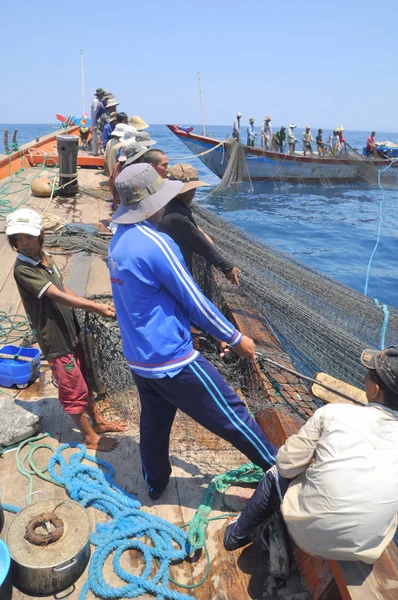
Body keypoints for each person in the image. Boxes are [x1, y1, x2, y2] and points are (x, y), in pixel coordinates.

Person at [108, 164, 277, 499]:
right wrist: (234, 337)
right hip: (173, 361)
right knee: (234, 414)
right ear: (154, 201)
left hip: (140, 360)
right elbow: (195, 301)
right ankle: (280, 472)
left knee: (154, 426)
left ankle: (154, 483)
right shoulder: (158, 244)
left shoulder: (118, 240)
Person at [224, 346, 398, 563]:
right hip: (364, 550)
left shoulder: (333, 413)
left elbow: (286, 464)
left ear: (376, 389)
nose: (365, 378)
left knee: (274, 473)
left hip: (307, 536)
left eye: (369, 374)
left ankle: (234, 536)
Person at [6, 209, 128, 451]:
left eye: (28, 237)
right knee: (73, 388)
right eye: (18, 239)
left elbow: (63, 288)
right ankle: (89, 437)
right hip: (55, 340)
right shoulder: (23, 269)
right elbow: (54, 294)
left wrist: (92, 306)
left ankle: (97, 421)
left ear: (40, 235)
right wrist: (94, 306)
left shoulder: (45, 257)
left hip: (69, 331)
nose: (24, 244)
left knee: (84, 379)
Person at [159, 163, 240, 284]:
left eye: (194, 189)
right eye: (191, 190)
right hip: (175, 275)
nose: (193, 193)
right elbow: (201, 244)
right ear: (179, 192)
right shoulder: (179, 216)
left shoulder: (164, 203)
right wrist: (227, 266)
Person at [90, 87, 105, 156]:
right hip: (96, 122)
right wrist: (95, 124)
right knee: (96, 137)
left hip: (97, 122)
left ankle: (97, 151)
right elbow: (95, 112)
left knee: (98, 137)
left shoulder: (99, 101)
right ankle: (95, 152)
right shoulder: (96, 101)